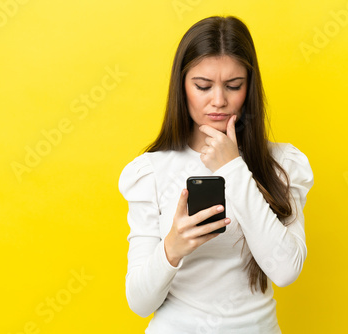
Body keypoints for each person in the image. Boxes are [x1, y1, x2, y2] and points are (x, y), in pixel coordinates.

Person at [118, 15, 314, 333]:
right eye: (203, 86)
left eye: (233, 86)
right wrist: (173, 247)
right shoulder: (150, 172)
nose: (219, 101)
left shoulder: (283, 164)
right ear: (182, 87)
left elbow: (286, 270)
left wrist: (232, 168)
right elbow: (140, 304)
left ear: (249, 88)